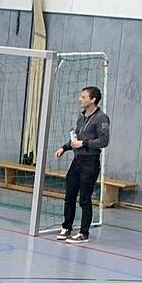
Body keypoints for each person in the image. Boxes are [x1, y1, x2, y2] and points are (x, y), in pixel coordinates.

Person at [55, 86, 110, 244]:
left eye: (83, 97)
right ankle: (67, 227)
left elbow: (104, 141)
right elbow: (76, 139)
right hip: (77, 162)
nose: (80, 99)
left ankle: (84, 233)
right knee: (69, 195)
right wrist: (64, 148)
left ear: (93, 99)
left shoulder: (102, 118)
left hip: (90, 163)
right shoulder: (81, 116)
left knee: (84, 198)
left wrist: (84, 143)